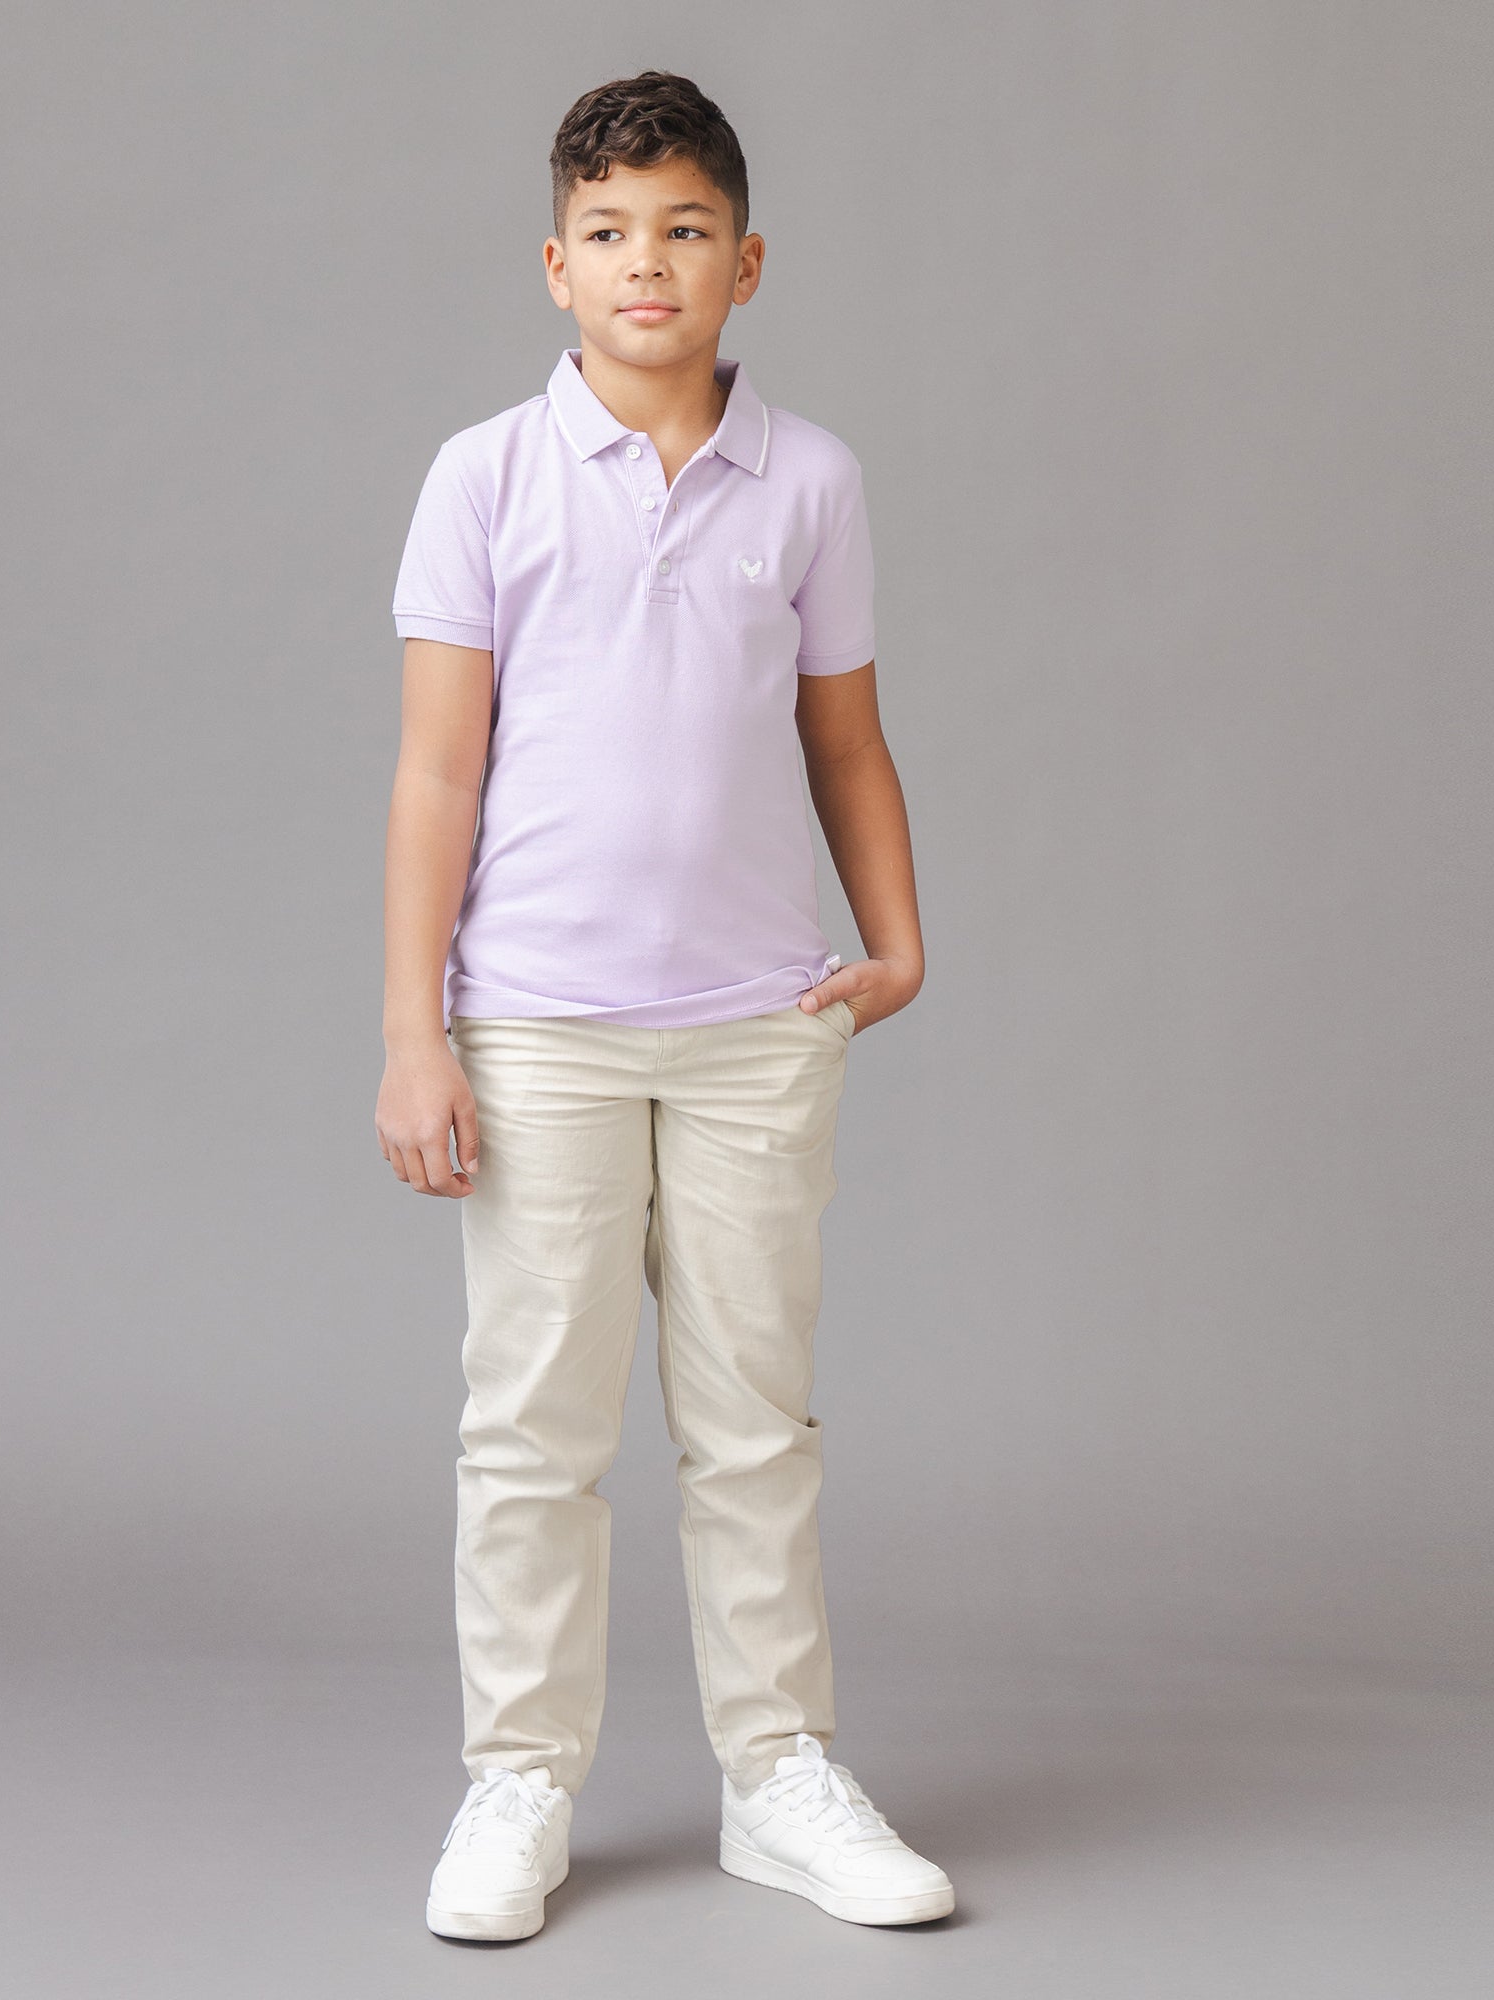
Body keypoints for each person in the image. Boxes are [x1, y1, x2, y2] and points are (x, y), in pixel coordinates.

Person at [376, 69, 951, 1941]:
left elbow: (846, 741)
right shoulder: (484, 476)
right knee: (533, 1430)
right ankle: (517, 1781)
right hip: (536, 1024)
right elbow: (436, 774)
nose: (650, 263)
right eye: (611, 232)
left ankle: (778, 1773)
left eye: (687, 229)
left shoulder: (813, 481)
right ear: (557, 264)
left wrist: (896, 941)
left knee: (755, 1424)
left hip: (754, 1027)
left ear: (746, 264)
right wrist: (414, 1032)